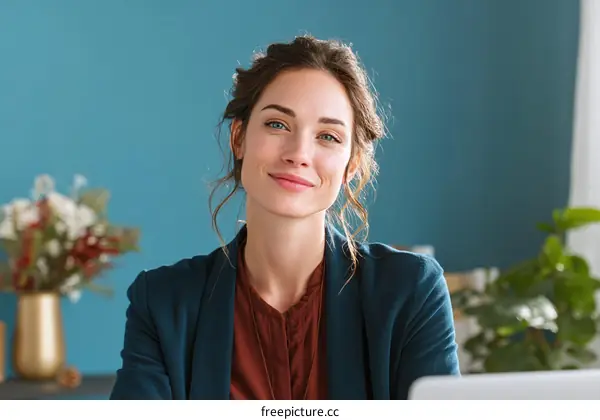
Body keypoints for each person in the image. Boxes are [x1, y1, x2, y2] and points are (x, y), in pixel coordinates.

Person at [109, 35, 460, 401]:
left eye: (328, 136)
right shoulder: (163, 302)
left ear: (351, 165)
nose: (299, 153)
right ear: (239, 137)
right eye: (278, 124)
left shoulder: (410, 291)